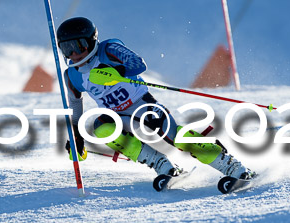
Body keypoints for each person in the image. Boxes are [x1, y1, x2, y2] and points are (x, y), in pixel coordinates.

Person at [57, 16, 256, 191]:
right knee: (102, 129)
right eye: (67, 48)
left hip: (142, 104)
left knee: (176, 137)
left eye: (79, 45)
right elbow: (75, 104)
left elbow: (138, 64)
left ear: (92, 41)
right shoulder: (72, 75)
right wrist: (76, 135)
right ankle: (162, 166)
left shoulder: (108, 49)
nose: (74, 54)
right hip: (117, 116)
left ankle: (233, 167)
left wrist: (116, 73)